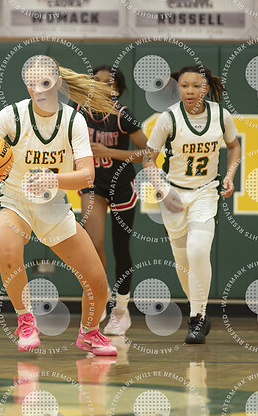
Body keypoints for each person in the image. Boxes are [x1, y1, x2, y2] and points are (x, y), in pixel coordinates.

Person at [0, 55, 119, 356]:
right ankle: (26, 321)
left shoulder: (73, 120)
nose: (39, 90)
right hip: (13, 200)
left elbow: (87, 175)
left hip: (53, 206)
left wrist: (52, 179)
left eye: (45, 83)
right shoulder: (11, 116)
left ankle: (89, 334)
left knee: (97, 283)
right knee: (8, 249)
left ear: (58, 82)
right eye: (32, 84)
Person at [143, 65, 241, 344]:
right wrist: (163, 191)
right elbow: (148, 159)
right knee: (183, 262)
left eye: (196, 86)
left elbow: (234, 147)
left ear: (205, 88)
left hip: (205, 192)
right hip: (173, 195)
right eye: (185, 86)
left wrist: (230, 176)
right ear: (178, 88)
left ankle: (197, 317)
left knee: (198, 250)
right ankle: (198, 310)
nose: (190, 91)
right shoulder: (168, 118)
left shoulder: (221, 116)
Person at [76, 66, 148, 336]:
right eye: (96, 80)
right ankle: (100, 294)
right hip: (93, 183)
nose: (101, 85)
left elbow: (147, 153)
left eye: (108, 82)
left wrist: (109, 151)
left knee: (120, 248)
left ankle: (121, 310)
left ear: (116, 89)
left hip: (121, 185)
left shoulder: (122, 115)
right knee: (93, 245)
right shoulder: (78, 111)